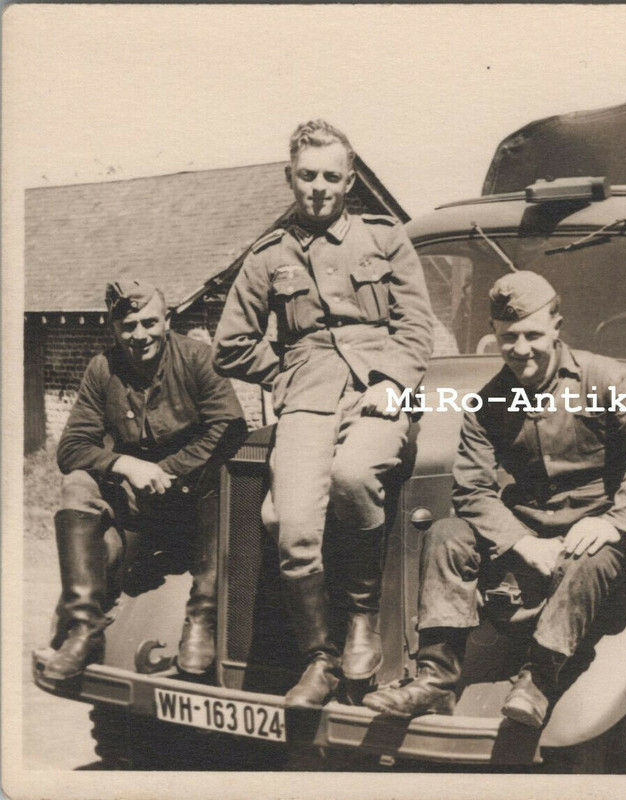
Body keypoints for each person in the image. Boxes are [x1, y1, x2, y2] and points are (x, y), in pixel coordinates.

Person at [363, 271, 626, 728]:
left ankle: (539, 678)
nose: (521, 348)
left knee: (590, 556)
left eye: (533, 334)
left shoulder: (605, 379)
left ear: (556, 327)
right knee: (448, 533)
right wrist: (520, 543)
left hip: (598, 530)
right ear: (495, 335)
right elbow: (472, 488)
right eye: (508, 337)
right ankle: (435, 677)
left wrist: (615, 521)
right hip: (527, 530)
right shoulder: (489, 402)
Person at [214, 120, 434, 707]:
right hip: (306, 393)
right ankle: (320, 659)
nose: (318, 187)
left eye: (331, 176)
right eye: (307, 175)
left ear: (350, 180)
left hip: (379, 389)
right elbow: (231, 344)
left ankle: (362, 618)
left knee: (355, 475)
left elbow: (416, 326)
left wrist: (394, 382)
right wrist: (286, 373)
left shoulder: (385, 238)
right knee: (291, 527)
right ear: (290, 177)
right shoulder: (267, 256)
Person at [44, 279, 245, 680]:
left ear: (167, 319)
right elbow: (70, 448)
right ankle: (85, 627)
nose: (140, 335)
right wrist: (125, 465)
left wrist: (169, 469)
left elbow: (230, 427)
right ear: (114, 329)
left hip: (196, 498)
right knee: (78, 487)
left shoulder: (197, 358)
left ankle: (202, 622)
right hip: (139, 501)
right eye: (129, 326)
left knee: (221, 487)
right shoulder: (103, 368)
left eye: (149, 322)